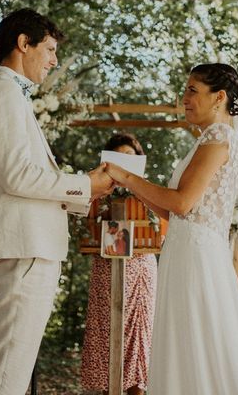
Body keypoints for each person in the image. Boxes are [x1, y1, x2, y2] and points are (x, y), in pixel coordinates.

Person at [104, 64, 238, 394]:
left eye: (192, 90)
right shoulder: (209, 139)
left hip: (197, 258)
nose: (184, 98)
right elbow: (173, 210)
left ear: (219, 97)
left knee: (205, 342)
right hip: (186, 249)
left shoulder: (219, 139)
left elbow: (181, 203)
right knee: (195, 342)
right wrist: (134, 187)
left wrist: (128, 177)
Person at [0, 7, 113, 395]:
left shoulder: (10, 95)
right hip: (24, 246)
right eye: (49, 49)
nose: (54, 60)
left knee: (12, 370)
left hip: (27, 246)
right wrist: (84, 184)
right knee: (6, 376)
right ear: (23, 44)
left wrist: (87, 190)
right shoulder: (3, 94)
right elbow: (17, 176)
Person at [81, 133, 157, 395]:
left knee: (139, 334)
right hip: (106, 265)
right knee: (107, 332)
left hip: (141, 267)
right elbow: (86, 221)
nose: (124, 162)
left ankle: (138, 390)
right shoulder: (97, 190)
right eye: (118, 157)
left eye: (129, 157)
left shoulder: (148, 190)